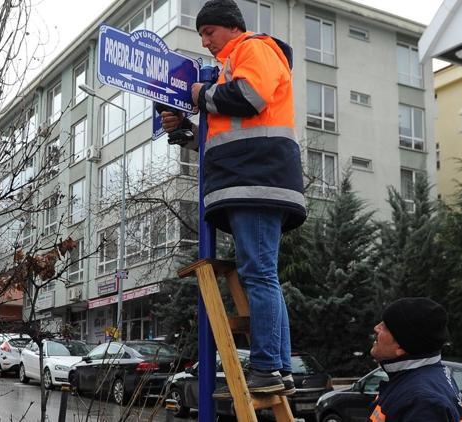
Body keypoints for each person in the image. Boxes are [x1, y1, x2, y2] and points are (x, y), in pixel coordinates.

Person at [161, 0, 306, 395]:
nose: (205, 41)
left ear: (230, 27)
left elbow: (249, 97)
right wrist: (186, 130)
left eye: (209, 32)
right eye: (202, 34)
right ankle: (278, 369)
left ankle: (265, 371)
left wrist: (197, 92)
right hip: (248, 177)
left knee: (259, 274)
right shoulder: (232, 66)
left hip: (257, 179)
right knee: (264, 276)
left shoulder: (252, 48)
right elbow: (220, 139)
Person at [369, 297, 462, 421]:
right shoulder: (421, 380)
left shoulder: (423, 402)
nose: (376, 328)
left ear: (402, 346)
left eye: (386, 327)